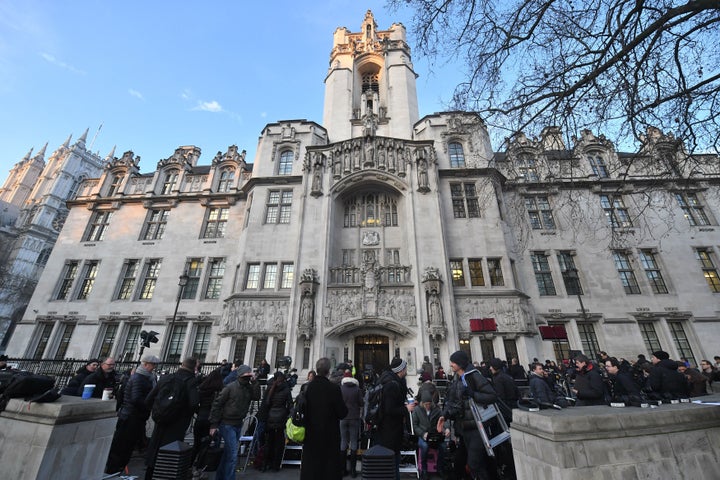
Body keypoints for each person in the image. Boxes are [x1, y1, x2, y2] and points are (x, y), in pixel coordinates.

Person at [437, 350, 497, 480]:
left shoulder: (473, 376)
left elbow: (492, 396)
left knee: (475, 464)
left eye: (453, 362)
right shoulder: (456, 378)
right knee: (459, 463)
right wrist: (445, 415)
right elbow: (454, 402)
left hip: (477, 427)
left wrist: (474, 394)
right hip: (463, 428)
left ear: (460, 363)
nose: (451, 364)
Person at [144, 358, 199, 480]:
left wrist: (158, 411)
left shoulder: (166, 378)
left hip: (161, 419)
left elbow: (149, 399)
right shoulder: (191, 381)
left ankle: (149, 475)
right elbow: (194, 403)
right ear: (194, 368)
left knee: (155, 449)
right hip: (177, 423)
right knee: (172, 453)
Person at [105, 354, 159, 475]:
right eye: (153, 365)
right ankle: (112, 471)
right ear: (145, 364)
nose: (154, 367)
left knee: (128, 446)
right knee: (122, 446)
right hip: (130, 416)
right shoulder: (138, 378)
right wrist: (149, 405)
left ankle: (117, 470)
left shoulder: (147, 377)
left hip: (136, 416)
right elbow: (136, 398)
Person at [208, 364, 261, 480]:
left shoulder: (248, 387)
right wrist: (214, 424)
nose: (248, 377)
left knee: (228, 454)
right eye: (247, 375)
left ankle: (220, 477)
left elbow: (257, 396)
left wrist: (255, 382)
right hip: (227, 424)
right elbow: (217, 405)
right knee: (232, 455)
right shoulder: (230, 388)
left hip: (238, 423)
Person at [301, 357, 348, 480]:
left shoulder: (307, 388)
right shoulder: (333, 389)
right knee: (329, 469)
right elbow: (343, 413)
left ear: (316, 370)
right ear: (328, 371)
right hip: (329, 437)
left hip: (311, 436)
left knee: (312, 469)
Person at [377, 357, 414, 480]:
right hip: (390, 429)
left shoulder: (396, 382)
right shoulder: (392, 385)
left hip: (393, 429)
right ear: (400, 370)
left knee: (394, 459)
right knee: (392, 460)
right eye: (405, 368)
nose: (406, 370)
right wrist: (406, 409)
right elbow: (389, 409)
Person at [192, 367, 225, 475]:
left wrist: (199, 413)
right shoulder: (218, 391)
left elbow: (195, 404)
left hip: (200, 418)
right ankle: (199, 468)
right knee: (205, 446)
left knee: (196, 444)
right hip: (210, 421)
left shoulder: (202, 389)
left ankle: (190, 466)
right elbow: (217, 407)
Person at [260, 371, 291, 472]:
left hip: (271, 417)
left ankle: (265, 463)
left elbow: (266, 403)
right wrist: (286, 413)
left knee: (269, 441)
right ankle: (275, 465)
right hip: (280, 417)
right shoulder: (286, 390)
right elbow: (290, 405)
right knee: (279, 442)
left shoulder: (270, 389)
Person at [412, 391, 447, 480]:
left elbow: (442, 421)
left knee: (443, 446)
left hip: (434, 434)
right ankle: (424, 469)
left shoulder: (436, 409)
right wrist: (423, 434)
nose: (427, 406)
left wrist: (445, 429)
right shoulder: (417, 410)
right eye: (426, 404)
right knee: (425, 446)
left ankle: (439, 468)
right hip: (422, 435)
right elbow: (415, 425)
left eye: (429, 404)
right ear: (422, 403)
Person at [340, 370, 363, 477]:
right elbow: (361, 402)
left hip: (343, 418)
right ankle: (353, 471)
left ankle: (343, 470)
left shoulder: (341, 389)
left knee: (343, 442)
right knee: (354, 442)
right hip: (354, 417)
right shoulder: (357, 389)